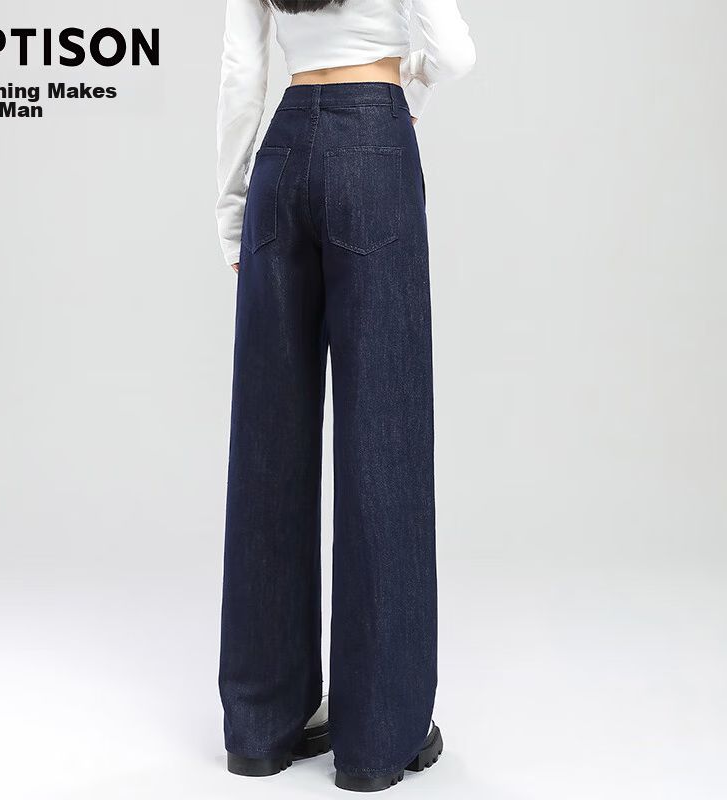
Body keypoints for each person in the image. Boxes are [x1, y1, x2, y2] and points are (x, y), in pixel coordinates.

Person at [215, 0, 475, 791]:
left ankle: (260, 725)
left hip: (282, 151)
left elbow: (241, 72)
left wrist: (231, 214)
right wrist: (410, 85)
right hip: (373, 141)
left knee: (268, 446)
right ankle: (378, 736)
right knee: (384, 441)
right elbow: (453, 51)